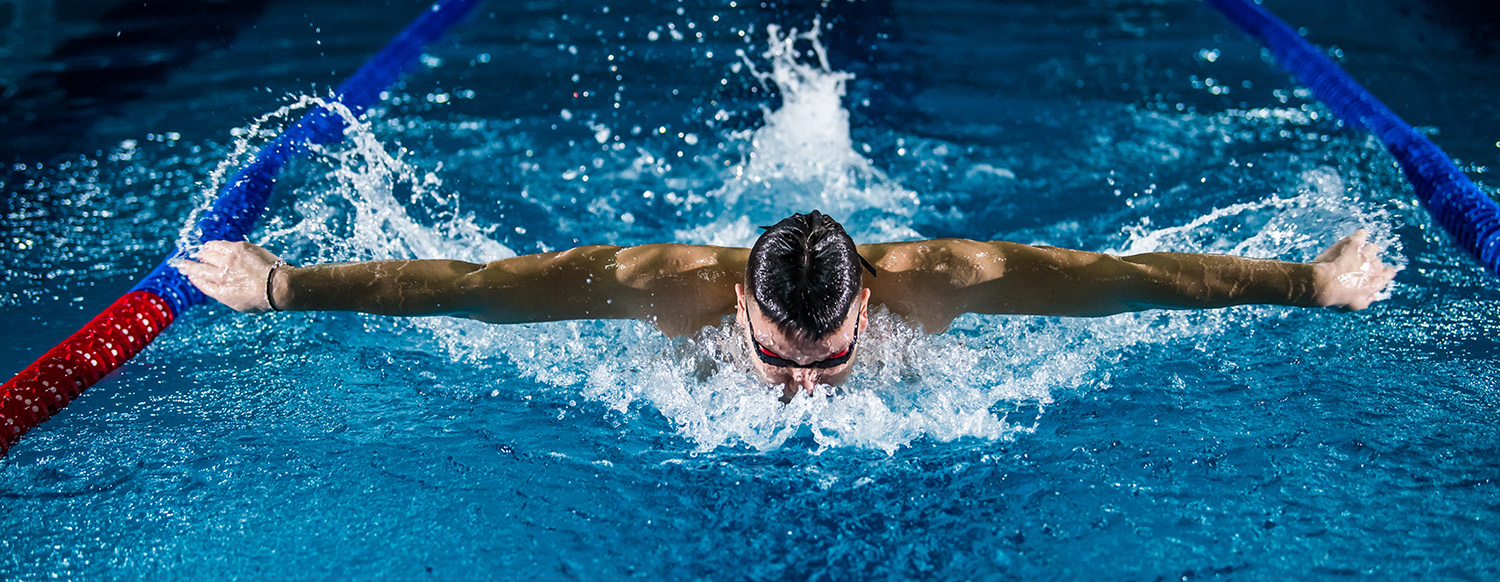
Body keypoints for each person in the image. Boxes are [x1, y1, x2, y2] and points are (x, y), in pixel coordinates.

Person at [180, 210, 1396, 400]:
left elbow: (1129, 282)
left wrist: (1309, 283)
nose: (800, 387)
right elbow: (480, 292)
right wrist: (283, 286)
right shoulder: (665, 290)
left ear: (872, 297)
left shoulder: (950, 280)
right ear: (742, 309)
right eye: (779, 355)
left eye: (826, 361)